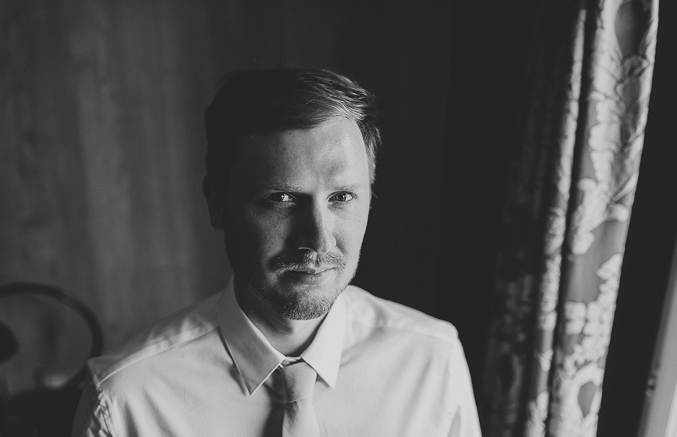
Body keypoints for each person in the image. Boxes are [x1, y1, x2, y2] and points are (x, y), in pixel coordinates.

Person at [72, 68, 482, 437]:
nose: (319, 240)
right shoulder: (125, 401)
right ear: (218, 203)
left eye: (342, 197)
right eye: (282, 198)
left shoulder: (432, 360)